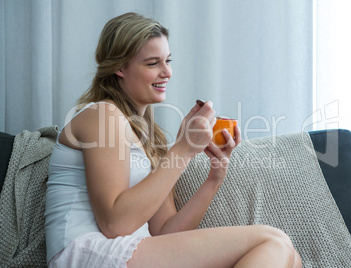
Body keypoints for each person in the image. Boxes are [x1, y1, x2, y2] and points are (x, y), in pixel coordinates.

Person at [44, 12, 302, 268]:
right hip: (87, 253)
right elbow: (114, 224)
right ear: (120, 67)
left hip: (130, 254)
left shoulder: (147, 139)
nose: (166, 72)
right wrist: (183, 150)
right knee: (273, 241)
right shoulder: (102, 114)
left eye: (168, 60)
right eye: (152, 63)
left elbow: (167, 234)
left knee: (290, 257)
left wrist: (215, 178)